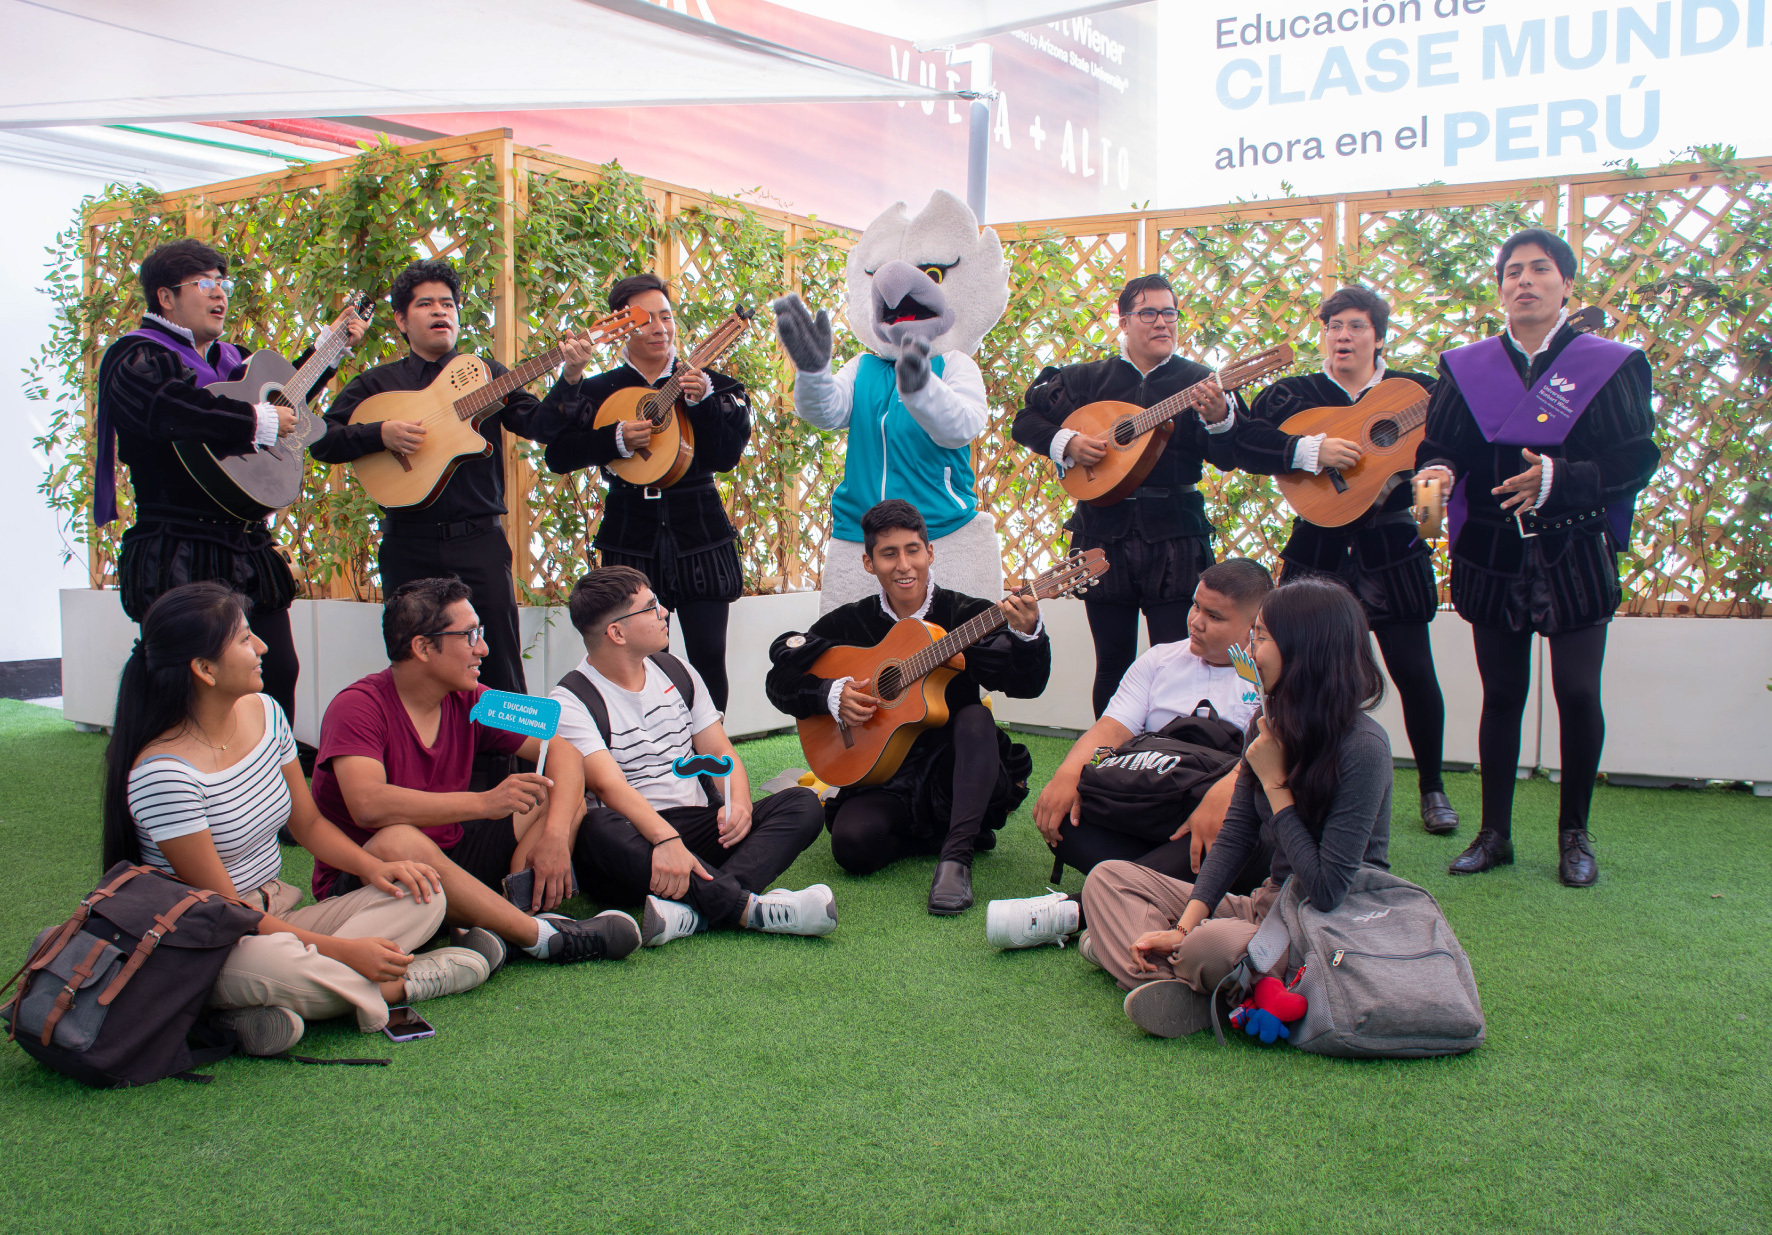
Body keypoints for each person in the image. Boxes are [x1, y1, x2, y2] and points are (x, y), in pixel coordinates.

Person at [101, 582, 491, 1057]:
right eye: (245, 640)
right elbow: (226, 912)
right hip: (212, 943)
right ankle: (397, 987)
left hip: (278, 913)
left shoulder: (265, 713)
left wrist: (374, 870)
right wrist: (343, 951)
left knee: (422, 895)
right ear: (204, 669)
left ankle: (253, 1013)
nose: (262, 646)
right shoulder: (164, 775)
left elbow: (308, 826)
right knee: (284, 963)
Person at [1414, 229, 1660, 886]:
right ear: (1500, 287)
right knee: (1502, 695)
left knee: (1578, 692)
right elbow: (1441, 447)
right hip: (1491, 554)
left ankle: (1574, 834)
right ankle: (1494, 834)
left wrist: (1558, 480)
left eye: (1540, 269)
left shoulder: (1610, 362)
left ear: (1566, 285)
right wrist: (1433, 476)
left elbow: (1635, 458)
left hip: (1574, 549)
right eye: (1512, 271)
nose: (1524, 280)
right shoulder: (1466, 367)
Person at [1079, 577, 1394, 1038]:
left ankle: (1157, 966)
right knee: (1107, 879)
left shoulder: (1363, 746)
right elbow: (1235, 838)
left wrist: (1274, 782)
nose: (1250, 648)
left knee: (1212, 944)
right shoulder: (1268, 726)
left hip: (1323, 928)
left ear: (1304, 651)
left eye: (1261, 637)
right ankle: (1203, 986)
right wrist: (1184, 928)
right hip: (1265, 909)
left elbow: (1328, 890)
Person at [95, 238, 365, 724]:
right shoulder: (135, 356)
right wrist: (253, 422)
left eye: (224, 283)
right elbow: (170, 409)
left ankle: (266, 780)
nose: (220, 295)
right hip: (178, 546)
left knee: (277, 670)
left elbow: (284, 403)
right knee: (184, 682)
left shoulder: (231, 358)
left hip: (244, 544)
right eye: (205, 284)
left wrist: (327, 351)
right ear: (165, 296)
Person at [310, 577, 640, 964]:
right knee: (399, 840)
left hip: (452, 858)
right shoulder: (357, 707)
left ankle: (517, 909)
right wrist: (483, 803)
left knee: (555, 794)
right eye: (469, 635)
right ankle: (538, 937)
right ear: (421, 647)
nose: (483, 648)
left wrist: (553, 836)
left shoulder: (475, 699)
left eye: (479, 633)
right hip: (370, 880)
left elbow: (563, 750)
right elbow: (369, 804)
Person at [312, 258, 598, 695]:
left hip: (478, 541)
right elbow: (323, 441)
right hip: (407, 541)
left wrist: (571, 375)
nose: (440, 311)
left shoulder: (489, 375)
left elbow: (541, 425)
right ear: (401, 320)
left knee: (498, 657)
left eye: (448, 303)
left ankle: (507, 760)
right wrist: (379, 433)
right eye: (426, 304)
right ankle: (424, 758)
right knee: (412, 659)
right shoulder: (377, 385)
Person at [1234, 285, 1458, 836]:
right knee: (1298, 675)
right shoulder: (1295, 396)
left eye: (1356, 326)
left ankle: (1432, 788)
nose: (1342, 336)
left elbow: (1440, 467)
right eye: (1333, 326)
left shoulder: (1416, 394)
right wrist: (1307, 451)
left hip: (1395, 547)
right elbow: (1246, 444)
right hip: (1319, 546)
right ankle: (1296, 781)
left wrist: (1431, 503)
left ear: (1379, 337)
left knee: (1414, 671)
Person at [766, 499, 1050, 914]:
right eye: (889, 553)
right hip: (884, 775)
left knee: (974, 718)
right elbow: (780, 681)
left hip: (959, 767)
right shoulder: (849, 623)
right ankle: (953, 830)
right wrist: (830, 694)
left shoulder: (967, 613)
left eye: (913, 550)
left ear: (929, 552)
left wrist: (1029, 635)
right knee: (852, 848)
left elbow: (1027, 685)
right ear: (869, 563)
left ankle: (955, 858)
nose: (904, 565)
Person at [549, 566, 834, 947]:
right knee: (597, 831)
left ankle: (692, 912)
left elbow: (719, 751)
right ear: (616, 633)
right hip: (636, 841)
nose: (664, 611)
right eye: (649, 607)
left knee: (802, 803)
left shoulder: (676, 669)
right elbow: (609, 786)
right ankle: (749, 908)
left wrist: (740, 804)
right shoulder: (570, 701)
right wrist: (665, 840)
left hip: (699, 826)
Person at [1011, 273, 1239, 717]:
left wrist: (1219, 419)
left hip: (1175, 534)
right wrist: (1067, 443)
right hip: (1103, 532)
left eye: (1169, 312)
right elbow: (1026, 420)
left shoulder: (1199, 381)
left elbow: (1227, 456)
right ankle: (1107, 764)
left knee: (1178, 660)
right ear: (1123, 320)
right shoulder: (1087, 380)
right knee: (1113, 662)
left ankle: (1171, 762)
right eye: (1149, 312)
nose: (1162, 323)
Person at [543, 273, 753, 711]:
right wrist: (614, 440)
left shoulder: (707, 382)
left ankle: (709, 761)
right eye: (644, 320)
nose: (659, 328)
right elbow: (558, 454)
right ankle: (649, 754)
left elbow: (727, 455)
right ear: (622, 328)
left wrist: (705, 404)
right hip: (629, 532)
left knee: (708, 653)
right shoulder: (600, 390)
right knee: (639, 657)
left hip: (701, 530)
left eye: (667, 317)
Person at [1027, 558, 1273, 891]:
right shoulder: (1160, 659)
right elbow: (1113, 728)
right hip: (1156, 803)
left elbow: (1277, 756)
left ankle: (1094, 905)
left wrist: (1224, 794)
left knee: (1251, 828)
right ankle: (1177, 888)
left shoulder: (1269, 674)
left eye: (1214, 616)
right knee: (1068, 821)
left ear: (1253, 626)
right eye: (1195, 606)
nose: (1196, 622)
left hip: (1226, 812)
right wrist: (1067, 774)